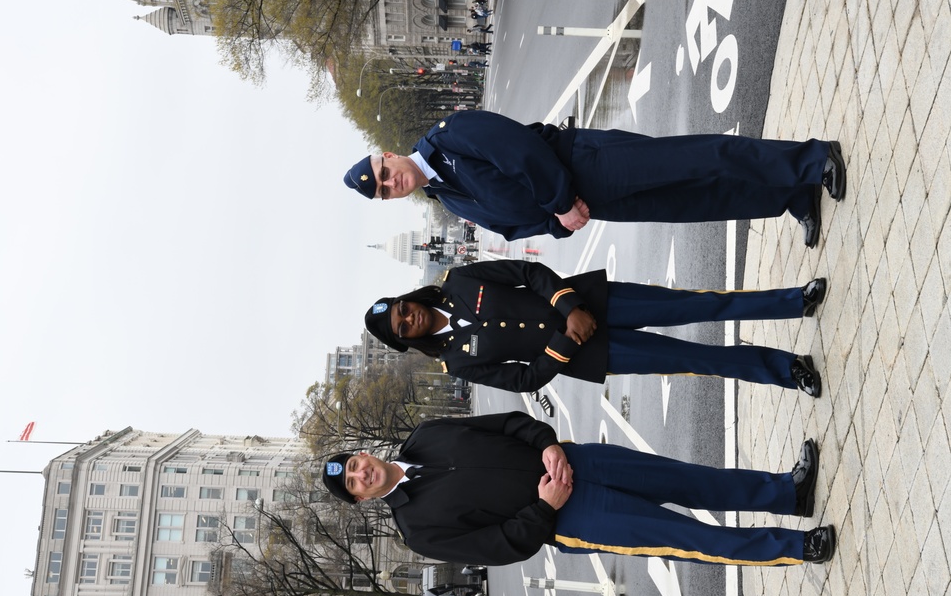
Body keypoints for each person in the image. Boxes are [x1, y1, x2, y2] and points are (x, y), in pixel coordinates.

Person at [320, 411, 837, 566]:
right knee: (692, 539)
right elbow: (500, 547)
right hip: (572, 516)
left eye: (354, 463)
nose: (361, 472)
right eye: (354, 483)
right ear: (363, 499)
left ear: (362, 454)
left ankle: (787, 494)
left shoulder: (426, 435)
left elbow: (506, 424)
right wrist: (544, 509)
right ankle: (798, 549)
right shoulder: (417, 530)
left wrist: (545, 443)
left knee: (693, 479)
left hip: (578, 460)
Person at [342, 110, 846, 246]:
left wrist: (561, 199)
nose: (392, 182)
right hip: (587, 203)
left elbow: (517, 151)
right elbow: (510, 228)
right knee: (695, 203)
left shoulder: (448, 136)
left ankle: (810, 159)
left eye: (384, 173)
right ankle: (789, 194)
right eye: (385, 190)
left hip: (586, 163)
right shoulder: (446, 200)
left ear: (388, 154)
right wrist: (562, 224)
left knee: (701, 159)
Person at [363, 259, 826, 396]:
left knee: (698, 306)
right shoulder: (456, 361)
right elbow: (523, 380)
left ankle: (792, 301)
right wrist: (564, 343)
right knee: (692, 359)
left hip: (594, 302)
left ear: (407, 299)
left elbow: (526, 274)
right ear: (406, 341)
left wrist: (568, 306)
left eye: (403, 309)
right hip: (589, 354)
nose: (409, 318)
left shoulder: (458, 280)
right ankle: (789, 371)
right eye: (402, 327)